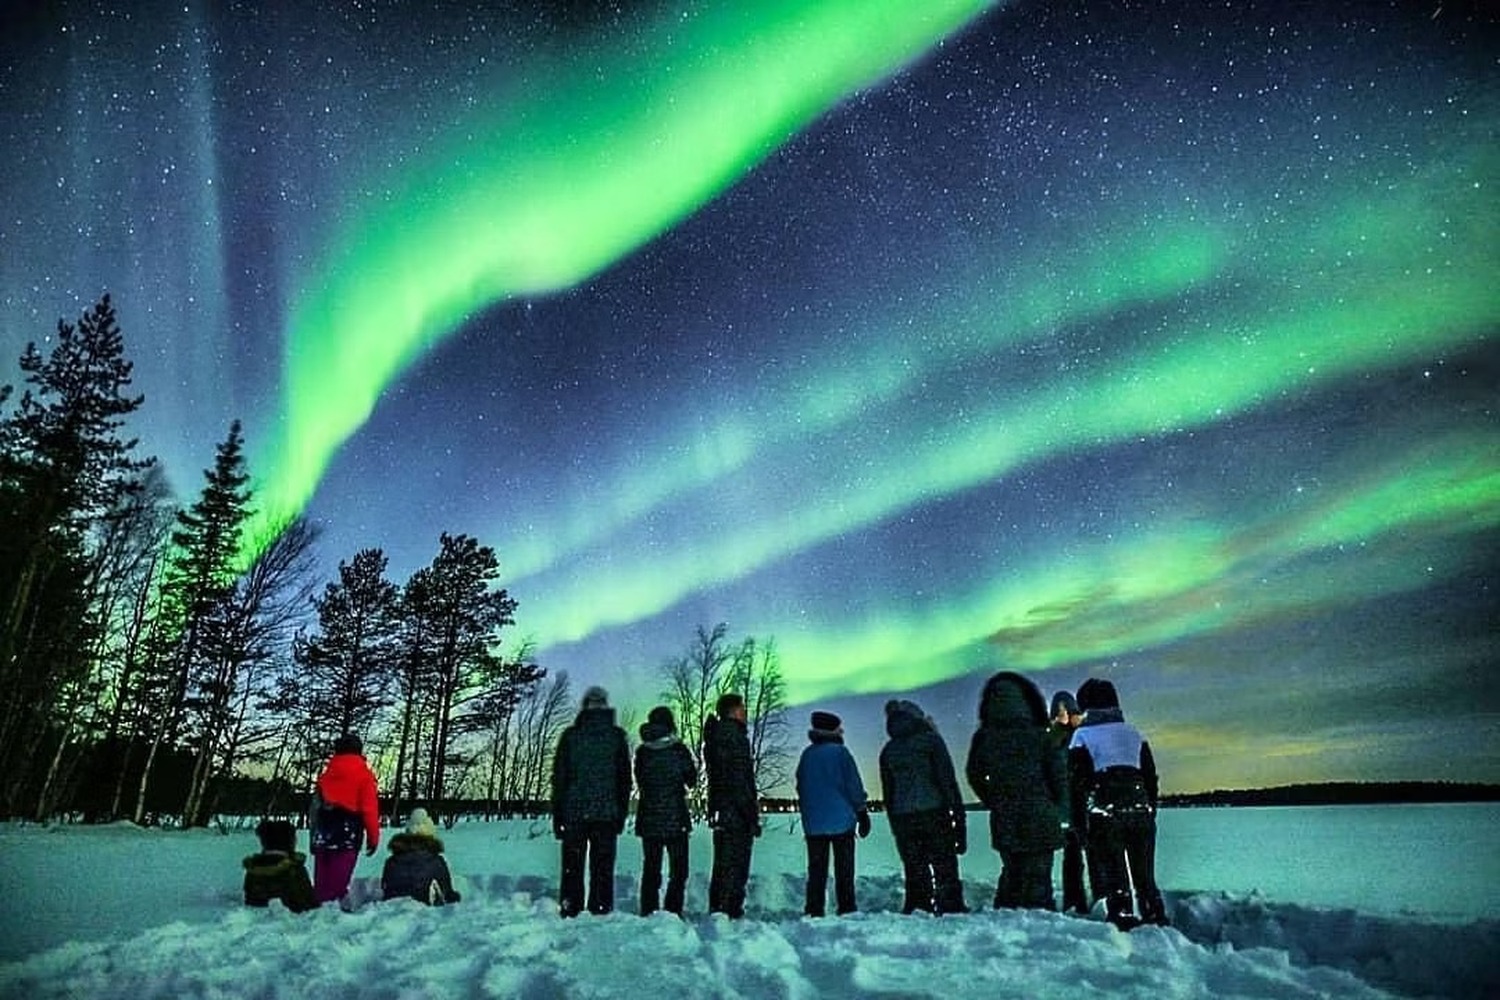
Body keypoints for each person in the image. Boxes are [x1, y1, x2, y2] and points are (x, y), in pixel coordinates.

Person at [1069, 678, 1168, 930]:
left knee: (1116, 877)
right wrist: (1150, 809)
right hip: (1140, 809)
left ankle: (1123, 924)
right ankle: (1155, 919)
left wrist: (1081, 826)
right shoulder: (1134, 732)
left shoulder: (1082, 735)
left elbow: (1077, 784)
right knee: (1145, 876)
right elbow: (1150, 776)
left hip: (1105, 813)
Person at [965, 671, 1066, 910]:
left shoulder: (985, 736)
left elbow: (974, 774)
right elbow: (1058, 776)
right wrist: (1057, 806)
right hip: (1041, 814)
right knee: (1039, 875)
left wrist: (992, 798)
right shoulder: (1041, 735)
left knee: (1013, 870)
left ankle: (1009, 919)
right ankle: (1042, 926)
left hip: (1005, 814)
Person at [878, 699, 968, 915]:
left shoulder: (889, 750)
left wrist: (894, 822)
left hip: (903, 816)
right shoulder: (931, 742)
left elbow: (888, 793)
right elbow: (947, 781)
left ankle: (918, 906)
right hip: (934, 811)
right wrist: (958, 817)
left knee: (914, 865)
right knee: (944, 862)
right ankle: (950, 905)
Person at [551, 685, 632, 917]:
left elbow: (560, 779)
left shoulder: (571, 736)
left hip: (574, 813)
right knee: (602, 868)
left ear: (584, 707)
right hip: (606, 814)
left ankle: (570, 907)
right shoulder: (616, 737)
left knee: (572, 867)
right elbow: (624, 780)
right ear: (606, 706)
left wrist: (558, 816)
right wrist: (620, 813)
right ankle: (600, 907)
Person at [795, 710, 870, 917]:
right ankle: (846, 907)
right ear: (832, 730)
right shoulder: (841, 754)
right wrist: (861, 811)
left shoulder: (807, 755)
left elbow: (801, 786)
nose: (842, 731)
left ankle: (814, 909)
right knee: (844, 869)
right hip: (842, 822)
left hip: (814, 823)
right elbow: (853, 785)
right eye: (839, 728)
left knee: (817, 870)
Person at [634, 705, 697, 916]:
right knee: (678, 871)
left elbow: (640, 780)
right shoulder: (679, 750)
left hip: (649, 817)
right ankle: (673, 910)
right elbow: (692, 780)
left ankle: (648, 909)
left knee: (651, 868)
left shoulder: (642, 752)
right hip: (675, 818)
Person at [703, 692, 760, 918]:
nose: (745, 714)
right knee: (735, 865)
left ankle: (719, 909)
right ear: (734, 711)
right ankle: (730, 912)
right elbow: (738, 779)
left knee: (723, 865)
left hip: (723, 810)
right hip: (734, 813)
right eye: (742, 709)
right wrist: (749, 814)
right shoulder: (733, 738)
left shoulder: (717, 736)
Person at [310, 732, 381, 905]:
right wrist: (373, 838)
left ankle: (318, 911)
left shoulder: (326, 776)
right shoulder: (364, 777)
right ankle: (335, 911)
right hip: (348, 832)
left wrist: (313, 837)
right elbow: (369, 810)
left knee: (322, 882)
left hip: (323, 830)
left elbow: (314, 808)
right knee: (338, 882)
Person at [1050, 690, 1090, 915]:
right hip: (1065, 809)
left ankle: (1096, 900)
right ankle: (1074, 902)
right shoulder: (1051, 737)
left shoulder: (1083, 734)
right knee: (1072, 857)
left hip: (1084, 805)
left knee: (1091, 856)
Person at [381, 807, 461, 905]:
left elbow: (384, 886)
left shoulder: (391, 861)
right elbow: (446, 892)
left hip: (391, 905)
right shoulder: (435, 861)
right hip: (421, 907)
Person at [242, 818, 318, 913]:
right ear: (290, 841)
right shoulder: (295, 869)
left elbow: (250, 902)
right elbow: (310, 905)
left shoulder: (253, 869)